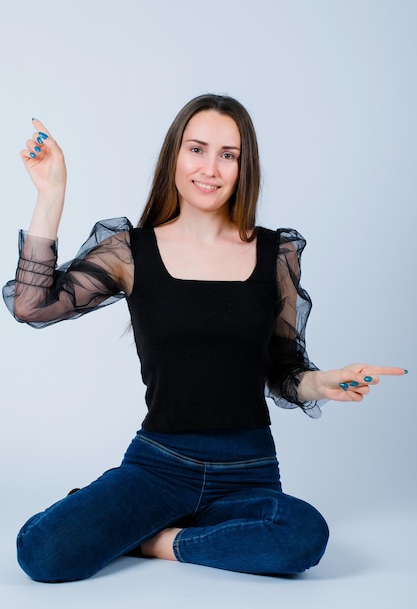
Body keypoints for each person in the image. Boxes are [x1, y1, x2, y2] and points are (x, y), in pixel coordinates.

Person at [3, 94, 406, 583]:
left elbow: (282, 369)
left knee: (302, 536)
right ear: (175, 154)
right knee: (43, 551)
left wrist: (323, 384)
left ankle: (149, 538)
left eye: (228, 154)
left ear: (243, 166)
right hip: (158, 466)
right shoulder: (130, 251)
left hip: (249, 468)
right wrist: (51, 194)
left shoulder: (275, 252)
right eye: (197, 149)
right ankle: (157, 524)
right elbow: (31, 305)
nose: (209, 168)